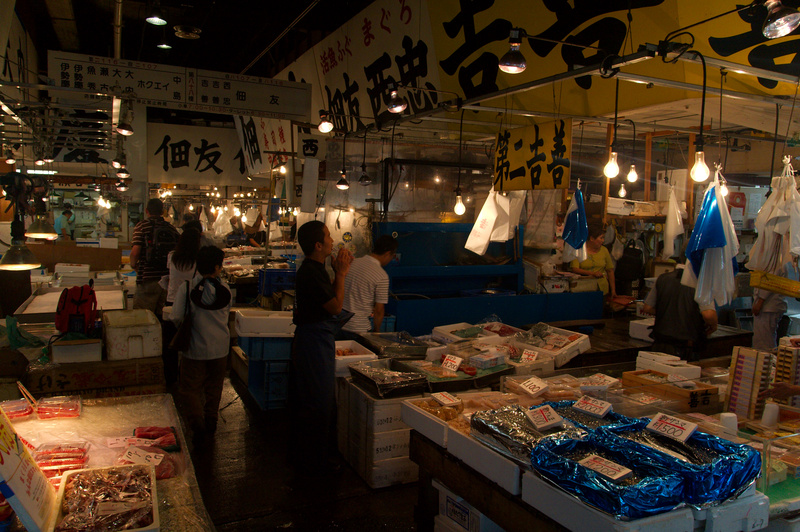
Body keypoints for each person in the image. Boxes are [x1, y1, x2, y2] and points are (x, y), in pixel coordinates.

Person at [289, 220, 353, 475]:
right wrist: (342, 274)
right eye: (328, 236)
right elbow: (336, 307)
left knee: (321, 400)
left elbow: (330, 301)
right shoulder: (311, 273)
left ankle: (319, 455)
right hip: (312, 343)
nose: (332, 240)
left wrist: (336, 272)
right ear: (318, 245)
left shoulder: (317, 269)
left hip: (316, 340)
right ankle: (315, 463)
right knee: (318, 402)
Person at [170, 245, 232, 447]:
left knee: (190, 389)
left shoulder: (187, 287)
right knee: (214, 387)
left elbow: (176, 316)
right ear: (217, 267)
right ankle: (211, 420)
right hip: (220, 348)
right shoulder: (225, 290)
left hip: (194, 348)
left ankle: (197, 425)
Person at [642, 261, 718, 360]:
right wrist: (714, 325)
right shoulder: (701, 283)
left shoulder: (662, 278)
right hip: (684, 349)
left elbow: (647, 308)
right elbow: (709, 315)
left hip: (660, 344)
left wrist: (669, 313)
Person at [130, 198, 180, 318]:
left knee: (143, 317)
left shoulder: (142, 226)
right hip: (167, 281)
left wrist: (134, 265)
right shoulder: (171, 228)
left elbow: (135, 252)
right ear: (162, 211)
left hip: (147, 279)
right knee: (162, 317)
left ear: (146, 211)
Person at [341, 235, 398, 337]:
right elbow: (379, 310)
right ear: (387, 253)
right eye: (392, 256)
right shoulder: (382, 275)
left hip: (339, 324)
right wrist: (377, 331)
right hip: (359, 328)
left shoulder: (353, 263)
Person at [569, 223, 617, 298]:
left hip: (602, 289)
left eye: (603, 238)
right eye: (601, 238)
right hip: (583, 288)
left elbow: (610, 271)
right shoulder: (579, 250)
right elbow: (574, 269)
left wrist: (613, 291)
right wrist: (592, 274)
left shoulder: (604, 250)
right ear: (591, 238)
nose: (603, 241)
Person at [752, 287, 787, 352]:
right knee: (764, 339)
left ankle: (767, 357)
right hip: (769, 306)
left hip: (768, 306)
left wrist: (760, 302)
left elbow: (768, 284)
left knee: (764, 342)